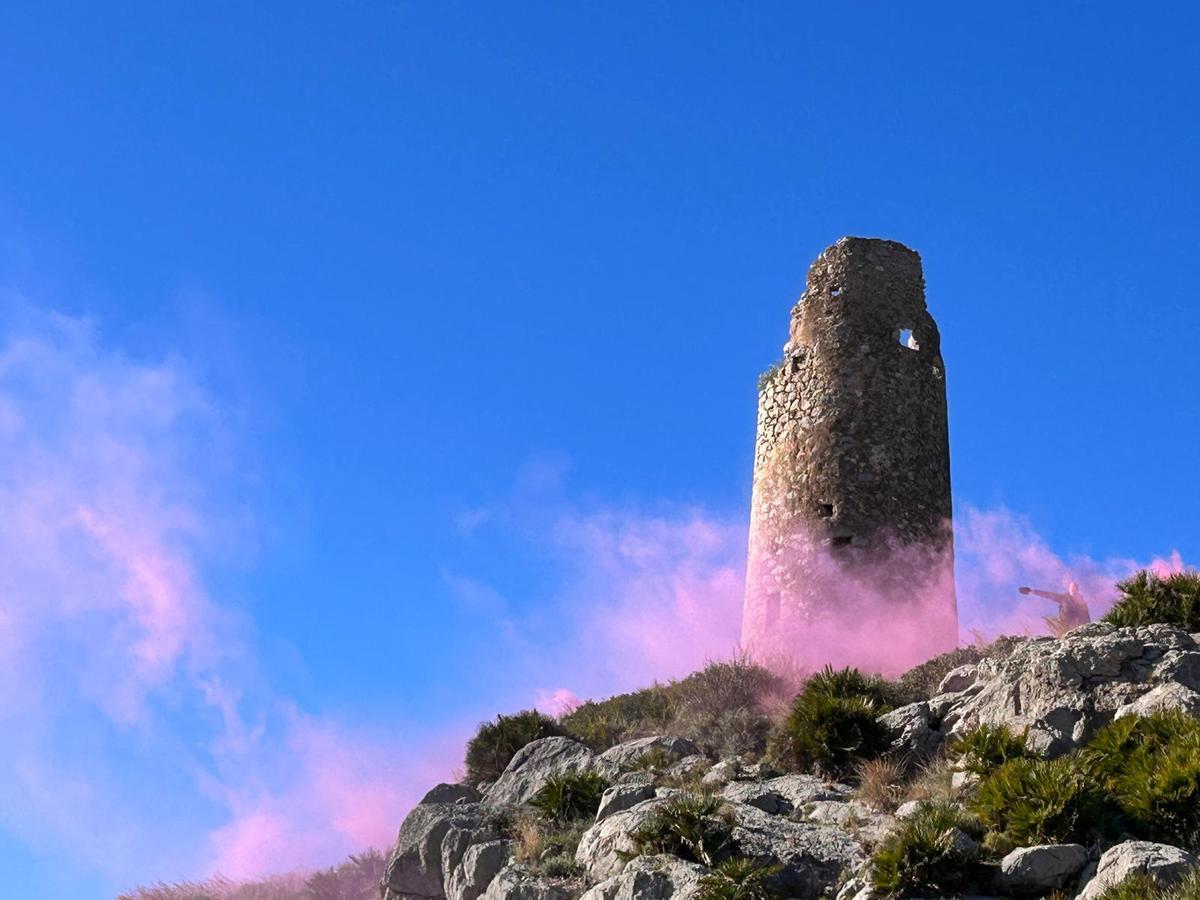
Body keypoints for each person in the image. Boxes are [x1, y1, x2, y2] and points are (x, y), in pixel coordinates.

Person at [1019, 582, 1091, 635]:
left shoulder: (1082, 602)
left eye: (1075, 587)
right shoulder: (1064, 598)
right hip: (1065, 626)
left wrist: (1089, 627)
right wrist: (1032, 591)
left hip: (1078, 628)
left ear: (1077, 589)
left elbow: (1086, 615)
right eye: (1072, 587)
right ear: (1069, 589)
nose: (1073, 589)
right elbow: (1048, 595)